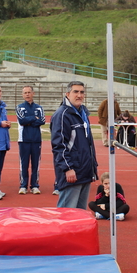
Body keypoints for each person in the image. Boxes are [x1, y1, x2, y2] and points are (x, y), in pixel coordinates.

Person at [51, 81, 98, 210]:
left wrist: (92, 166)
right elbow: (59, 145)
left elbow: (87, 143)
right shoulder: (62, 115)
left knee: (80, 213)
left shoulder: (83, 113)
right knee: (67, 213)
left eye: (82, 92)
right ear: (67, 94)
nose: (79, 95)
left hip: (85, 171)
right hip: (72, 172)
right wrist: (67, 168)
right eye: (75, 92)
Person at [16, 85, 45, 195]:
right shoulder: (19, 107)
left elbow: (42, 121)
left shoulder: (39, 108)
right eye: (25, 93)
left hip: (36, 140)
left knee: (35, 164)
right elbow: (22, 121)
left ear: (33, 93)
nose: (27, 94)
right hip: (24, 140)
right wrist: (34, 118)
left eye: (29, 92)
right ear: (22, 95)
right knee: (24, 163)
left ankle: (35, 185)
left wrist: (29, 120)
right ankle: (23, 185)